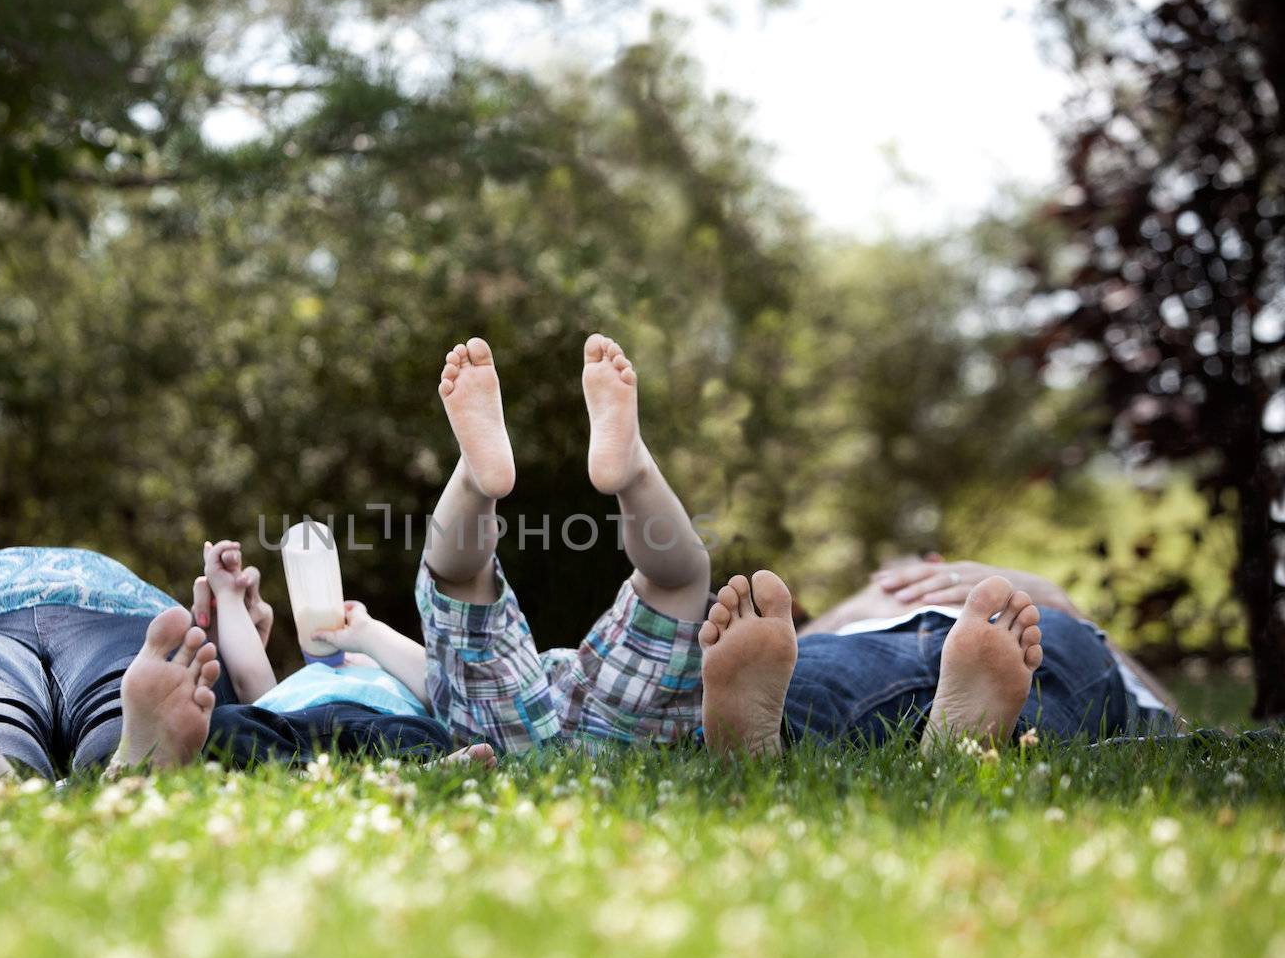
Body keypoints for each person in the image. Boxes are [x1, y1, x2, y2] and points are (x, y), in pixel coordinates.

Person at [0, 546, 474, 778]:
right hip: (115, 625)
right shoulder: (140, 607)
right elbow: (275, 706)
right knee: (119, 705)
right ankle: (123, 762)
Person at [417, 334, 713, 754]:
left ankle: (473, 478)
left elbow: (427, 677)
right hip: (618, 725)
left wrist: (362, 635)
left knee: (457, 585)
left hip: (503, 736)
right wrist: (363, 635)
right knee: (679, 582)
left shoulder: (356, 665)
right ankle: (635, 473)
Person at [695, 555, 1179, 758]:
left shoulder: (1026, 604)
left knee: (820, 681)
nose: (929, 570)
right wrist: (853, 606)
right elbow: (782, 648)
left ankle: (767, 747)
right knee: (808, 673)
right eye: (900, 572)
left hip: (994, 651)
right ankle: (976, 750)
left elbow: (1172, 717)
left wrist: (1055, 597)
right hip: (868, 638)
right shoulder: (861, 604)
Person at [195, 539, 497, 769]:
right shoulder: (297, 687)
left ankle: (414, 770)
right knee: (225, 721)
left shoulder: (388, 683)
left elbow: (439, 685)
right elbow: (249, 676)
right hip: (293, 724)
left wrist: (368, 634)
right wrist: (229, 593)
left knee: (423, 731)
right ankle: (302, 772)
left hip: (379, 724)